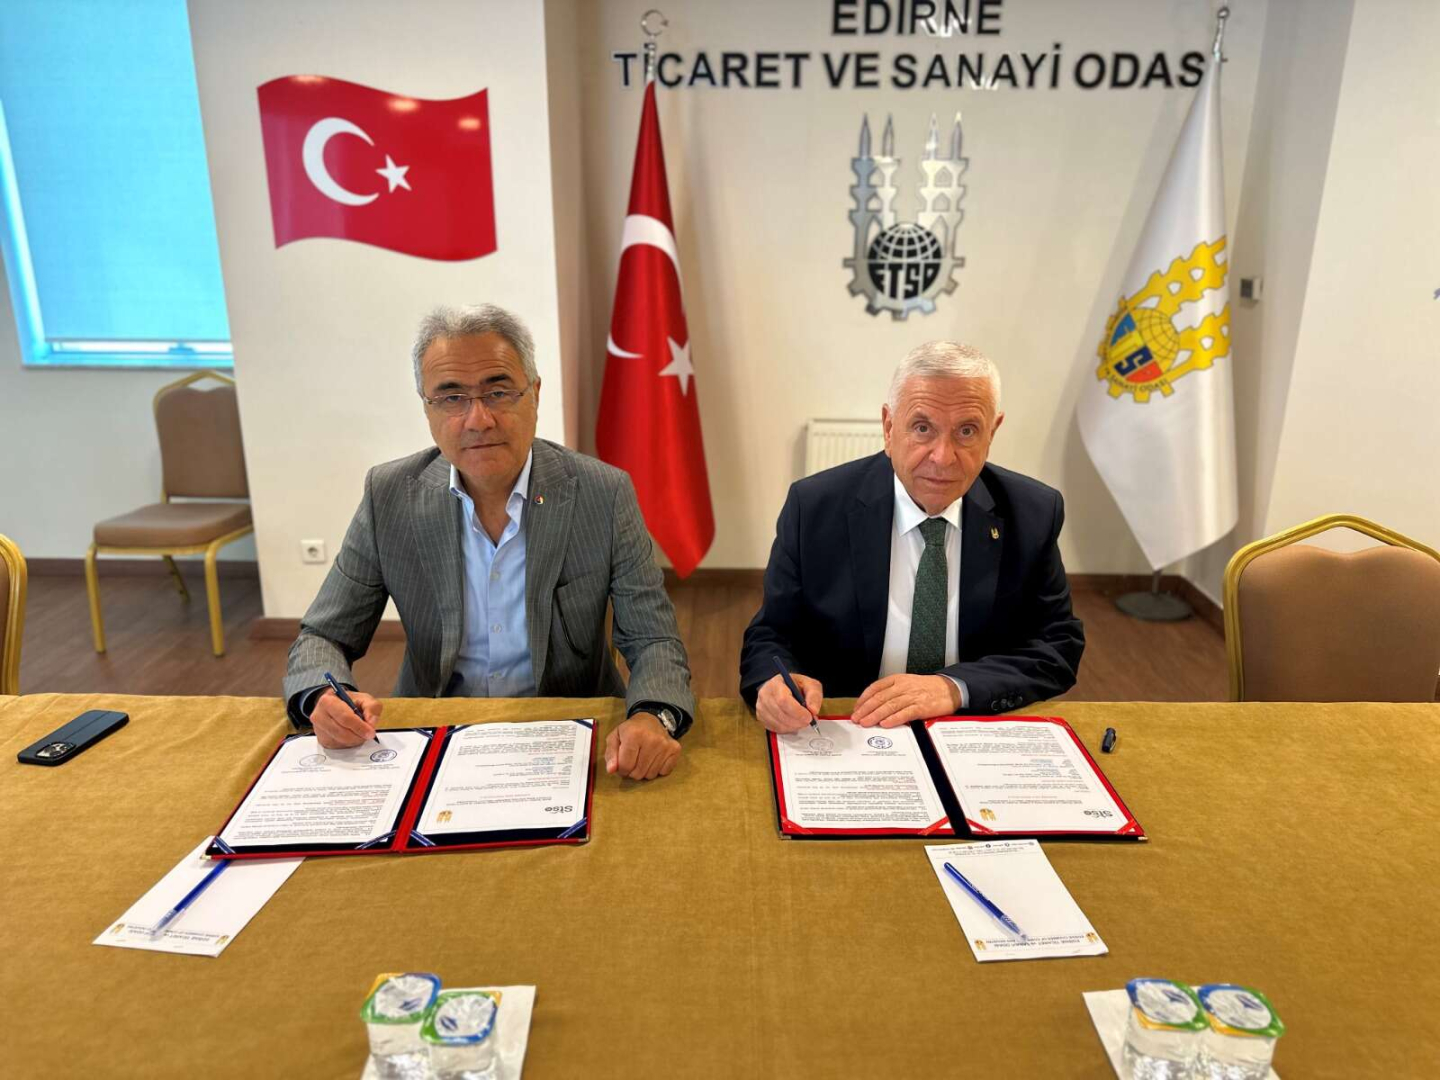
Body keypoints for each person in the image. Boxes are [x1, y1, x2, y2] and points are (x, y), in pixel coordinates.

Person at [284, 304, 694, 781]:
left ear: (534, 393)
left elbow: (652, 638)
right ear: (427, 408)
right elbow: (323, 636)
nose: (478, 419)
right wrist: (322, 696)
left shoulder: (602, 494)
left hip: (568, 733)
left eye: (498, 392)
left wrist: (653, 715)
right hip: (437, 730)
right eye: (451, 398)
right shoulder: (390, 495)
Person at [740, 341, 1084, 732]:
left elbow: (1058, 646)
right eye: (923, 428)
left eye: (967, 431)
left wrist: (954, 688)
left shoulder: (1032, 513)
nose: (942, 457)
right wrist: (773, 684)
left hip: (969, 729)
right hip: (849, 730)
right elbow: (771, 634)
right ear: (889, 428)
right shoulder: (815, 507)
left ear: (992, 432)